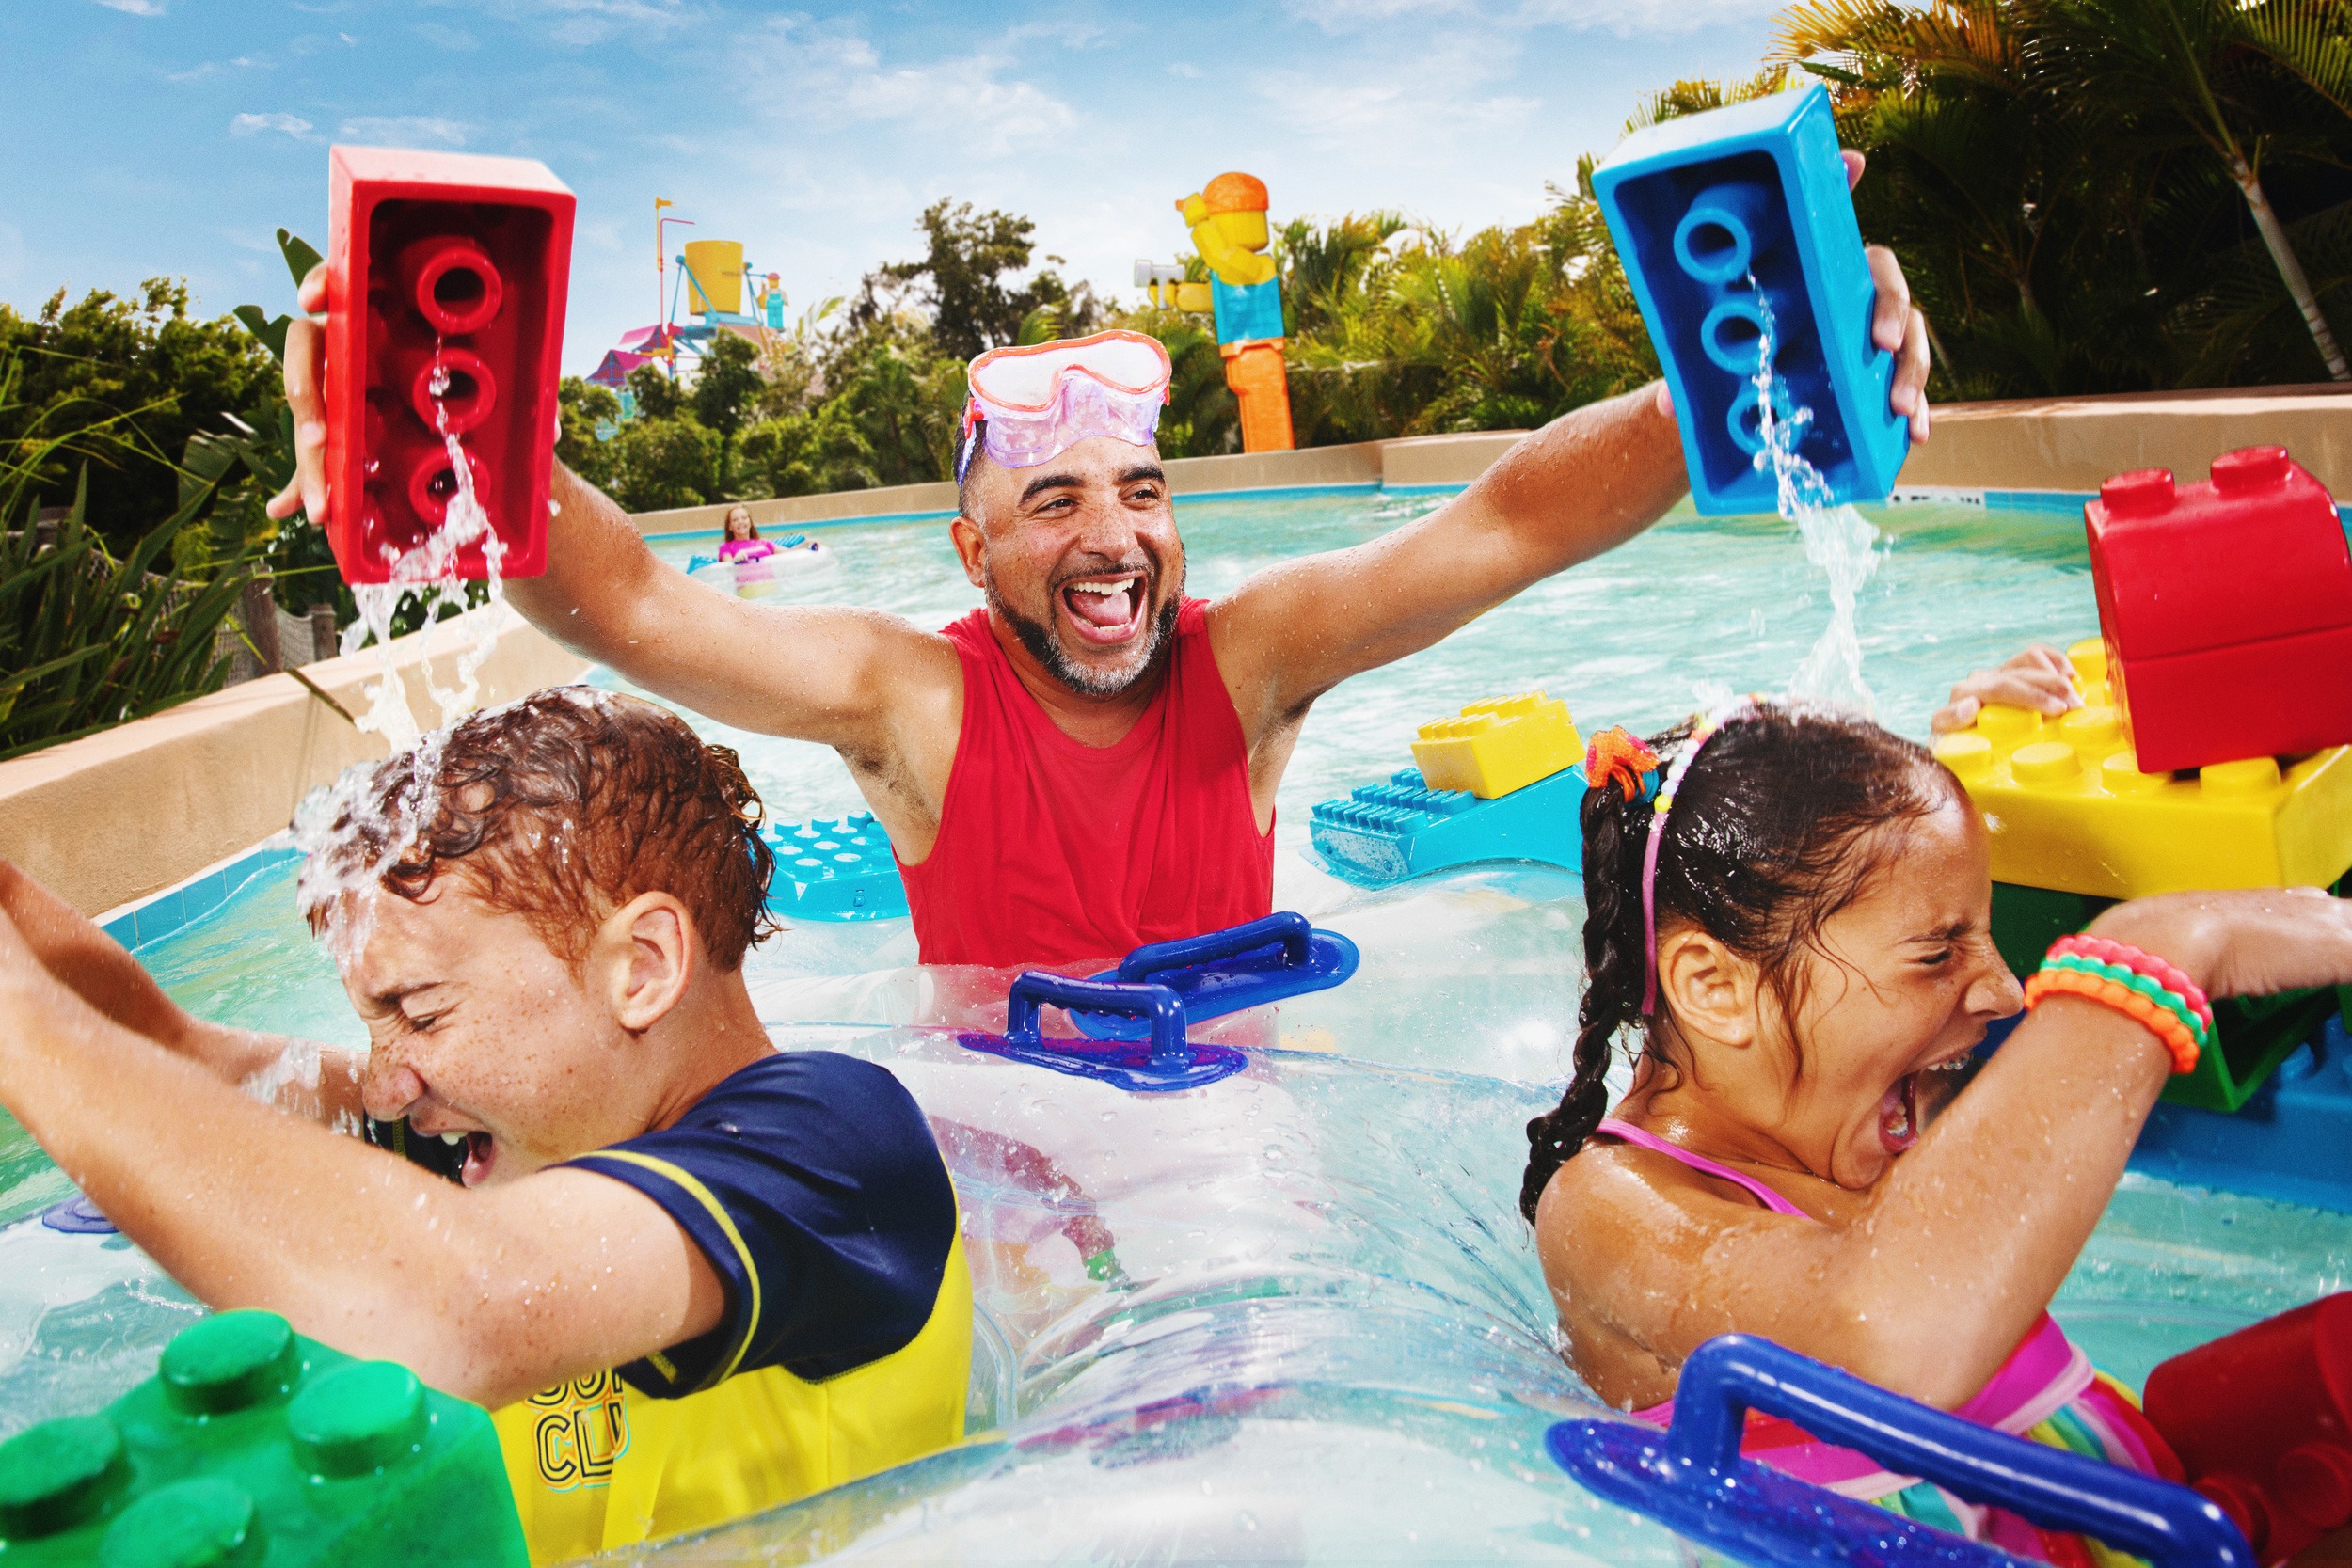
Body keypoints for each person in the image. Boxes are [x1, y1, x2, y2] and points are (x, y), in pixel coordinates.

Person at [270, 157, 1933, 969]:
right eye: (1052, 500)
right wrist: (443, 431)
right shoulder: (911, 702)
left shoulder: (1250, 662)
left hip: (1251, 1127)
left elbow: (1508, 521)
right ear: (971, 545)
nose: (1112, 534)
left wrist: (1745, 372)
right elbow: (633, 603)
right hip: (1007, 1163)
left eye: (1137, 487)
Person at [0, 690, 971, 1565]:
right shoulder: (519, 1134)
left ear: (639, 967)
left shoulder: (838, 1146)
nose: (383, 1084)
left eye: (419, 1013)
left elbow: (456, 1310)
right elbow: (176, 1057)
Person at [1519, 701, 2352, 1559]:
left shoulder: (1878, 1127)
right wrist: (2151, 951)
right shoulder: (1607, 1208)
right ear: (1716, 986)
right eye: (1937, 952)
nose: (2003, 989)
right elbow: (1889, 1336)